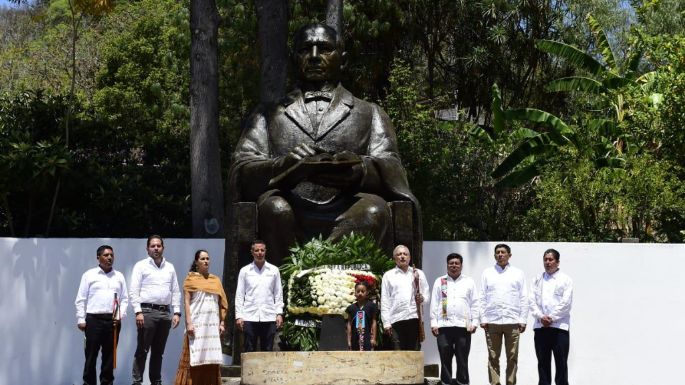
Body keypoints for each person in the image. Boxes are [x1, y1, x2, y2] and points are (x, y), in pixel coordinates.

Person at [228, 23, 422, 265]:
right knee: (275, 209)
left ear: (343, 60)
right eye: (305, 49)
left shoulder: (369, 112)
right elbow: (242, 168)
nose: (314, 57)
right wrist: (284, 166)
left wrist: (359, 171)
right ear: (293, 58)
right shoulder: (268, 114)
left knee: (375, 211)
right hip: (291, 208)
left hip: (348, 208)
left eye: (325, 49)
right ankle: (294, 282)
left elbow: (391, 166)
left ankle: (351, 286)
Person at [129, 235, 182, 385]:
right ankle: (137, 381)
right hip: (146, 312)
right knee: (142, 350)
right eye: (153, 246)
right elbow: (134, 291)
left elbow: (176, 291)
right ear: (147, 249)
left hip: (165, 314)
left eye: (158, 246)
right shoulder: (141, 266)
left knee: (158, 352)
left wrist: (177, 312)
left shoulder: (170, 267)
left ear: (163, 248)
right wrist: (138, 311)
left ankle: (156, 381)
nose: (156, 248)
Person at [75, 245, 129, 385]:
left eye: (111, 255)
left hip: (113, 321)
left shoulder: (119, 276)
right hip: (93, 320)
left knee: (109, 358)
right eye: (106, 255)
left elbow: (124, 298)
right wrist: (81, 319)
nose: (109, 257)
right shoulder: (89, 275)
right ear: (98, 257)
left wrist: (119, 316)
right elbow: (81, 298)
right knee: (91, 357)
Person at [174, 250, 228, 385]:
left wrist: (222, 322)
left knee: (211, 359)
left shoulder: (215, 280)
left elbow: (222, 303)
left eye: (208, 259)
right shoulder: (190, 279)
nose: (206, 261)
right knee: (193, 357)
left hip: (211, 327)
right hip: (197, 325)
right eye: (203, 259)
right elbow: (186, 302)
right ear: (197, 262)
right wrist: (189, 323)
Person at [479, 244, 529, 385]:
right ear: (495, 256)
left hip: (512, 321)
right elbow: (482, 297)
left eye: (503, 252)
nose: (500, 254)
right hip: (492, 321)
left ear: (509, 255)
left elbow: (523, 297)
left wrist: (523, 320)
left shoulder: (518, 273)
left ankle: (510, 383)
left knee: (512, 357)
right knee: (493, 357)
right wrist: (483, 318)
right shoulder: (487, 273)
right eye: (498, 252)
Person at [430, 253, 479, 385]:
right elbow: (434, 303)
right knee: (445, 358)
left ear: (461, 265)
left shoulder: (469, 281)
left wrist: (475, 322)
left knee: (462, 359)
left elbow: (474, 303)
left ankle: (463, 382)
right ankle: (446, 382)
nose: (454, 266)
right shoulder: (440, 281)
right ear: (447, 265)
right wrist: (434, 323)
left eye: (457, 263)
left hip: (463, 326)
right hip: (443, 326)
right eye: (451, 263)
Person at [531, 249, 573, 385]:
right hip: (540, 327)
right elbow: (531, 301)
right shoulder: (537, 279)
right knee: (542, 364)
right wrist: (541, 317)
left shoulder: (565, 279)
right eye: (545, 260)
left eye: (551, 259)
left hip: (559, 328)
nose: (547, 262)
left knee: (561, 364)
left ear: (558, 262)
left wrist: (551, 318)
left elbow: (566, 303)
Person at [234, 240, 284, 352]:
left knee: (267, 351)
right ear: (252, 252)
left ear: (265, 251)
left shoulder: (274, 270)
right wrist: (239, 315)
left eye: (262, 250)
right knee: (249, 351)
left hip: (269, 315)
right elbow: (240, 295)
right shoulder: (245, 271)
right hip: (249, 316)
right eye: (257, 250)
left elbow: (278, 293)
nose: (259, 253)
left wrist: (279, 313)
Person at [381, 244, 429, 350]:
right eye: (399, 254)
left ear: (409, 257)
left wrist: (422, 298)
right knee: (398, 354)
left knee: (413, 354)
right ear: (394, 258)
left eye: (405, 254)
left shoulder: (418, 273)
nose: (402, 256)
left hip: (413, 318)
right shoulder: (388, 275)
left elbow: (426, 295)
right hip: (396, 319)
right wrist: (386, 323)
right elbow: (385, 300)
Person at [345, 281, 378, 351]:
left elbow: (374, 322)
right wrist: (348, 340)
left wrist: (374, 339)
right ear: (355, 293)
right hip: (354, 339)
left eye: (363, 291)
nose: (360, 293)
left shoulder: (371, 306)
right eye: (358, 291)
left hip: (367, 338)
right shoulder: (351, 308)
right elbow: (349, 324)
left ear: (367, 292)